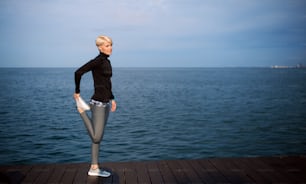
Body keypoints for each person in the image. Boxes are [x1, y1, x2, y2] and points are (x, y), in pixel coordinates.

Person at [74, 35, 117, 177]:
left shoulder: (107, 62)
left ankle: (94, 167)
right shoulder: (97, 61)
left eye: (110, 45)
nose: (110, 48)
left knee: (98, 137)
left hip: (105, 103)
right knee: (96, 137)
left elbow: (107, 82)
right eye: (106, 45)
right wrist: (77, 91)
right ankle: (81, 111)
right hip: (97, 103)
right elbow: (78, 72)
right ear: (99, 47)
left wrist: (112, 98)